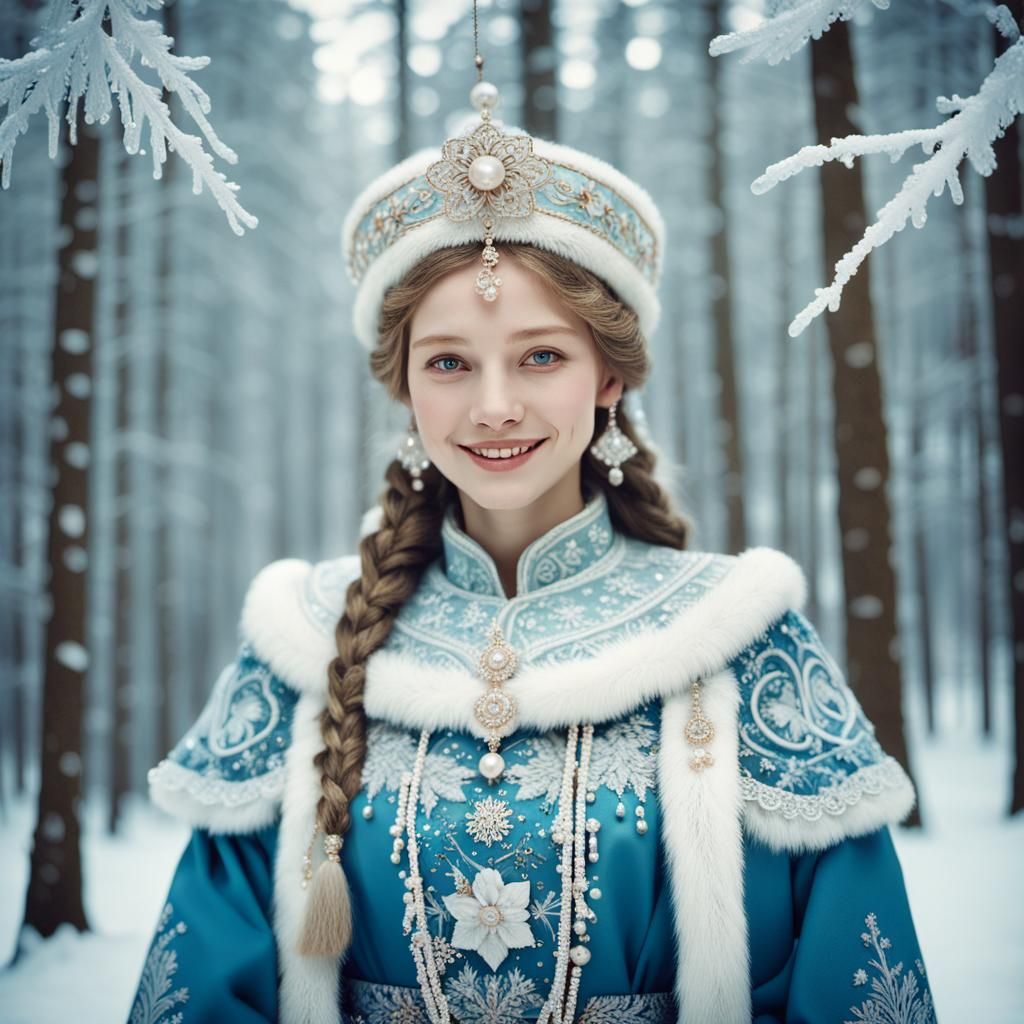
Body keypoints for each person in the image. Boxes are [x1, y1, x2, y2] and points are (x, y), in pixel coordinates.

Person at [127, 33, 934, 1024]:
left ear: (610, 376)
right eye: (450, 363)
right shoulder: (302, 643)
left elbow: (852, 981)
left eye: (541, 356)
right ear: (405, 387)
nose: (494, 407)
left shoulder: (737, 640)